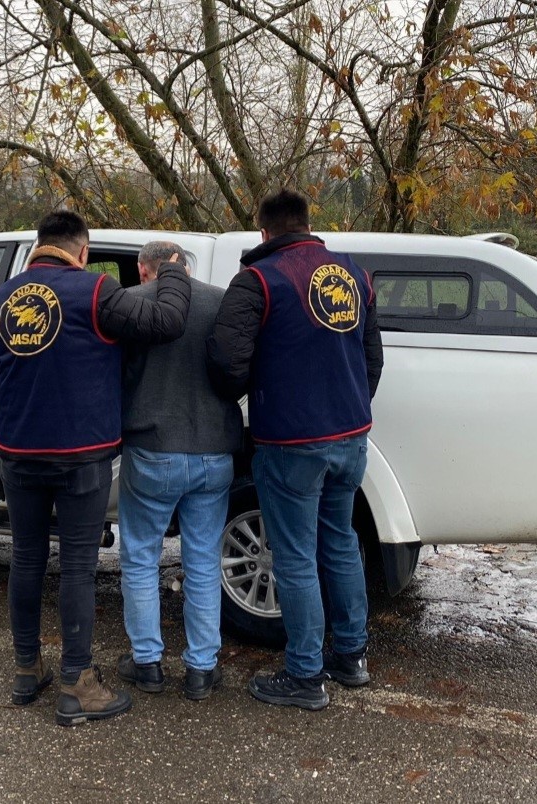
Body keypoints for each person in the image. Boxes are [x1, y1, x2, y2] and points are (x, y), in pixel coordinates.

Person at [0, 211, 191, 726]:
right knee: (76, 565)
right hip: (81, 455)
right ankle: (77, 682)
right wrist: (175, 274)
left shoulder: (1, 300)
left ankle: (27, 671)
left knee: (27, 558)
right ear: (82, 249)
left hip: (18, 451)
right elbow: (166, 323)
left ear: (39, 245)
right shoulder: (95, 291)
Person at [207, 189, 383, 710]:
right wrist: (346, 408)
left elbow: (225, 360)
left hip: (290, 441)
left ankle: (306, 674)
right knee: (341, 542)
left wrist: (248, 398)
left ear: (264, 232)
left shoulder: (258, 280)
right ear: (307, 225)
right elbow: (372, 358)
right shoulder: (352, 274)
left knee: (294, 556)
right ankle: (351, 657)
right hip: (350, 437)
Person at [115, 241, 243, 701]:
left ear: (143, 270)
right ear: (185, 267)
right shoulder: (220, 301)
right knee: (204, 562)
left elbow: (119, 375)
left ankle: (147, 662)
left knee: (140, 558)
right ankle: (202, 670)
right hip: (214, 453)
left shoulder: (133, 302)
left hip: (152, 450)